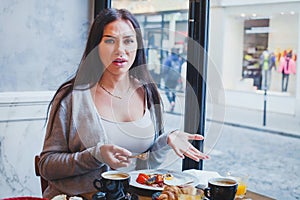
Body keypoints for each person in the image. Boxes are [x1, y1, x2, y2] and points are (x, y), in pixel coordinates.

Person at [38, 8, 209, 199]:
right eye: (110, 40)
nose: (120, 50)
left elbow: (148, 165)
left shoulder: (149, 93)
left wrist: (168, 139)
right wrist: (95, 155)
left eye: (128, 41)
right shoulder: (71, 97)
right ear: (96, 46)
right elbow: (47, 166)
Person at [163, 47, 183, 112]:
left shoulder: (168, 59)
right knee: (173, 91)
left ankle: (171, 102)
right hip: (175, 78)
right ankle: (173, 102)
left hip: (168, 78)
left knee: (166, 90)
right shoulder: (178, 60)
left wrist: (163, 76)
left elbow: (165, 69)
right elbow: (179, 70)